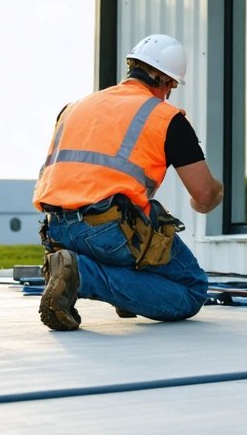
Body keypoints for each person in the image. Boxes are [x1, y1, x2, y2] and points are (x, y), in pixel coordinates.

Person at [33, 34, 223, 331]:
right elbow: (204, 194)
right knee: (191, 288)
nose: (169, 94)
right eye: (170, 86)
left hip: (56, 230)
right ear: (160, 77)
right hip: (108, 230)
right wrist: (214, 194)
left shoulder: (73, 108)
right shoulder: (164, 117)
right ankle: (83, 275)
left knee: (138, 217)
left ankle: (71, 269)